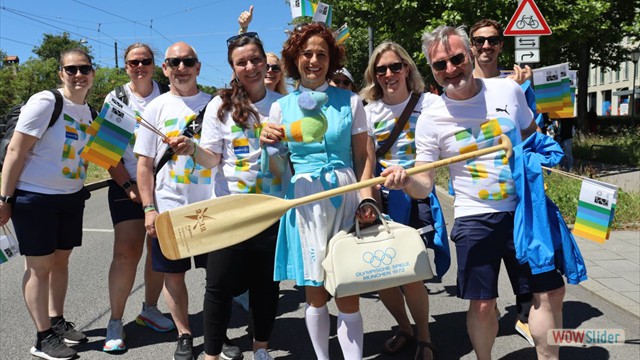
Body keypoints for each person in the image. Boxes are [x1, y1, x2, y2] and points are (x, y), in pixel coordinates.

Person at [382, 25, 565, 360]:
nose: (451, 69)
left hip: (525, 209)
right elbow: (424, 186)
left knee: (548, 292)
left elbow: (530, 133)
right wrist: (405, 180)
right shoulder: (431, 117)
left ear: (469, 54)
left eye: (456, 58)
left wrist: (542, 158)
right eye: (440, 65)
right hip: (474, 214)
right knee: (482, 304)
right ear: (432, 70)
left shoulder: (507, 92)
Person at [169, 31, 286, 360]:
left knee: (266, 285)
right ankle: (212, 354)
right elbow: (212, 159)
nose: (250, 66)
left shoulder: (282, 105)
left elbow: (293, 158)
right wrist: (193, 149)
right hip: (229, 209)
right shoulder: (220, 105)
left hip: (270, 209)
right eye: (241, 62)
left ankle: (261, 348)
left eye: (255, 59)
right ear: (232, 67)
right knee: (218, 285)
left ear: (266, 62)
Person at [271, 22, 377, 360]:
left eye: (321, 54)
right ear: (294, 58)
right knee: (315, 293)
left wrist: (367, 200)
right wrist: (270, 149)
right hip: (304, 203)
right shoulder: (279, 108)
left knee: (346, 290)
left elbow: (363, 157)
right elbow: (277, 173)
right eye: (307, 53)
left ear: (331, 60)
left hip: (346, 196)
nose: (314, 60)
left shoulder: (350, 101)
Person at [0, 48, 95, 360]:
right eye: (71, 69)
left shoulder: (88, 111)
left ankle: (56, 322)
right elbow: (15, 151)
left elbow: (98, 153)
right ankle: (42, 338)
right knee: (39, 268)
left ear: (92, 73)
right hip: (35, 198)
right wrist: (4, 199)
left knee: (61, 262)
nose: (78, 74)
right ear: (61, 73)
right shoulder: (46, 101)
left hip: (71, 197)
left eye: (84, 68)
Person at [134, 41, 220, 360]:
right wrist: (148, 208)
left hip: (211, 207)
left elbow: (218, 160)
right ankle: (184, 333)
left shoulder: (216, 106)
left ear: (198, 67)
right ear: (166, 69)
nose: (181, 67)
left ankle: (217, 332)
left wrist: (194, 150)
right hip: (169, 210)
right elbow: (144, 165)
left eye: (188, 61)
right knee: (173, 275)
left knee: (218, 277)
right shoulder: (154, 109)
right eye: (174, 62)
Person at [360, 41, 439, 360]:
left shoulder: (430, 103)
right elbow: (366, 163)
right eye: (381, 70)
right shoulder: (367, 110)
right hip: (384, 201)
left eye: (395, 66)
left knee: (412, 274)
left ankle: (425, 336)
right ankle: (404, 328)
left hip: (416, 196)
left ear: (407, 67)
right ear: (374, 75)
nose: (389, 74)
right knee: (384, 276)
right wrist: (369, 202)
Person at [101, 43, 175, 353]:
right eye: (133, 62)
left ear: (155, 64)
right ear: (125, 66)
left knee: (159, 250)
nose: (139, 66)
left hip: (168, 186)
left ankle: (150, 309)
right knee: (127, 251)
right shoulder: (118, 99)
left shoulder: (169, 93)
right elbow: (106, 153)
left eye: (145, 61)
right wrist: (130, 185)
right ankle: (115, 321)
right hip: (127, 183)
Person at [469, 18, 536, 346]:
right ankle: (490, 316)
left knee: (525, 270)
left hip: (516, 197)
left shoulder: (511, 87)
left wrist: (519, 154)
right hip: (475, 202)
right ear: (471, 46)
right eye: (479, 41)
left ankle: (525, 318)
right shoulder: (460, 87)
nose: (486, 46)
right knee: (482, 295)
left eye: (492, 41)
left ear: (500, 45)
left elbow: (529, 128)